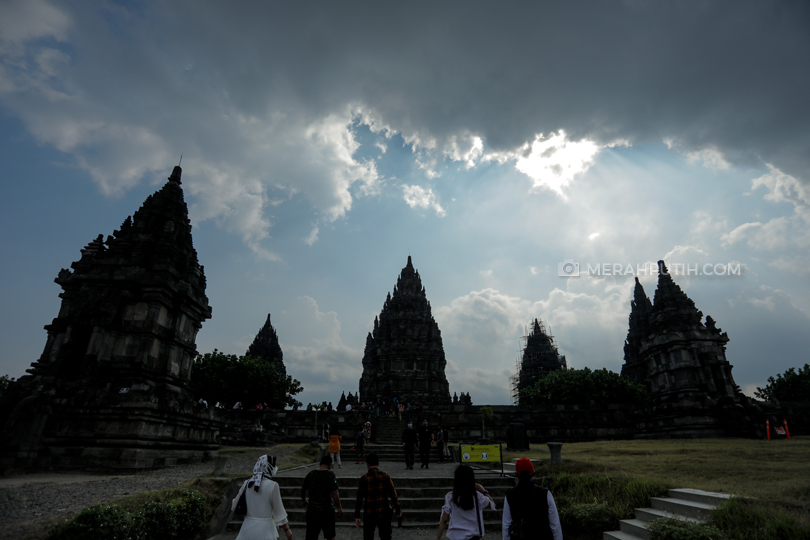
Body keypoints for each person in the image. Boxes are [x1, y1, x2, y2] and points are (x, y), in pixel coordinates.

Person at [232, 455, 292, 540]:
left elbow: (234, 505)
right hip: (265, 530)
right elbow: (279, 511)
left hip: (247, 529)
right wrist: (287, 530)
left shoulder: (247, 483)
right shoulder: (273, 485)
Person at [502, 458, 562, 540]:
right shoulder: (545, 493)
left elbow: (506, 525)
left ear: (516, 474)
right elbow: (555, 524)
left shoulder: (509, 495)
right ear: (533, 473)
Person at [436, 465, 496, 540]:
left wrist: (438, 538)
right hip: (473, 536)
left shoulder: (450, 496)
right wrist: (484, 491)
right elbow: (493, 505)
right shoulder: (478, 496)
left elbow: (444, 520)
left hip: (455, 536)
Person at [354, 453, 402, 540]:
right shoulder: (385, 476)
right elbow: (393, 494)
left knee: (368, 536)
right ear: (378, 464)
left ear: (367, 464)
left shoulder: (364, 479)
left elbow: (359, 498)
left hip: (369, 512)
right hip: (383, 511)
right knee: (385, 536)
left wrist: (357, 515)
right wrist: (398, 509)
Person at [301, 455, 343, 540]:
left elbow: (303, 489)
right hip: (326, 510)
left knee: (311, 536)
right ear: (329, 464)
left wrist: (303, 500)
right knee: (330, 536)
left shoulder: (311, 474)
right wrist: (339, 506)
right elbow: (334, 492)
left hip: (312, 511)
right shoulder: (330, 475)